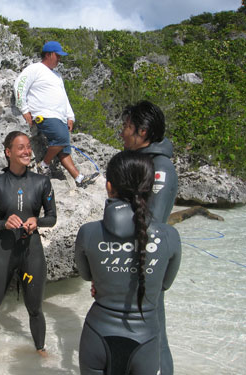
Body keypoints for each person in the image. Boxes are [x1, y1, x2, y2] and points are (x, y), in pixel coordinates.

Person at [75, 151, 181, 375]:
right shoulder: (170, 236)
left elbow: (86, 275)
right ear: (150, 188)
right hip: (146, 339)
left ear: (109, 186)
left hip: (97, 335)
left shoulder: (88, 232)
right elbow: (164, 285)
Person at [0, 131, 57, 355]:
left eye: (28, 147)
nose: (27, 151)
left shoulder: (42, 182)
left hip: (31, 251)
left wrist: (36, 220)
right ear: (8, 152)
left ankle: (40, 354)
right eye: (20, 147)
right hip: (3, 251)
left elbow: (52, 217)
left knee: (35, 309)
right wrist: (3, 223)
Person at [120, 100, 178, 374]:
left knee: (154, 334)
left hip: (146, 263)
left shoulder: (161, 168)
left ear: (142, 132)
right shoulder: (143, 162)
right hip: (132, 260)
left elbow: (153, 224)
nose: (122, 132)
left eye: (127, 127)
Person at [14, 41, 98, 188]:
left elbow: (63, 97)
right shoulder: (35, 69)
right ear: (48, 54)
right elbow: (20, 84)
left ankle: (78, 178)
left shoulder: (57, 76)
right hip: (44, 114)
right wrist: (24, 109)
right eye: (57, 56)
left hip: (59, 116)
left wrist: (70, 116)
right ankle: (44, 164)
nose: (59, 59)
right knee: (61, 138)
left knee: (64, 149)